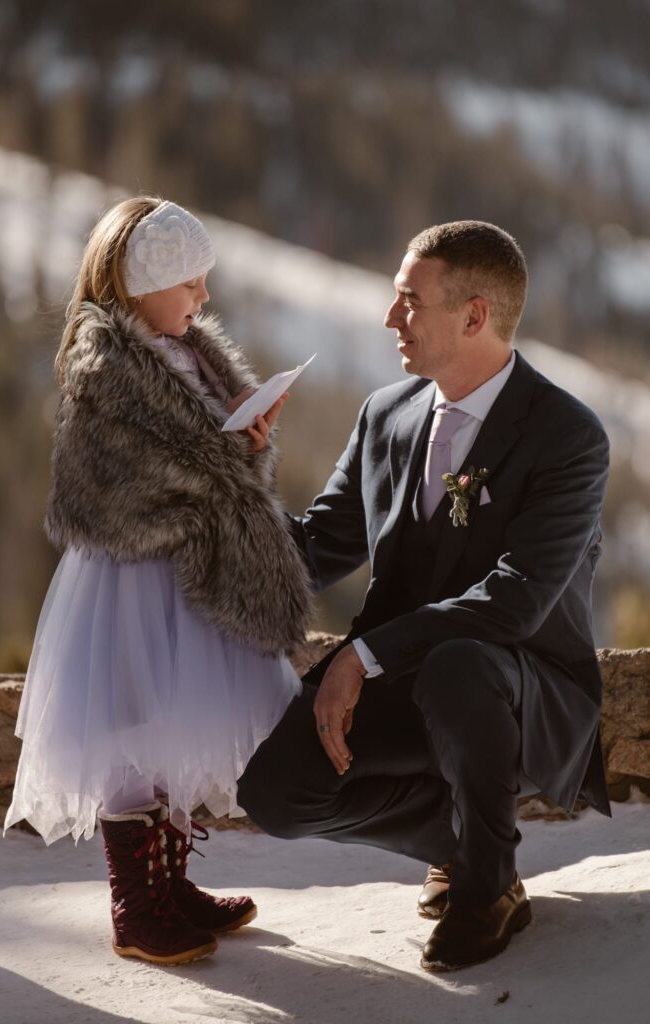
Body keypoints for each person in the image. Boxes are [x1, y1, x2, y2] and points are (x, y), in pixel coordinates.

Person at [237, 220, 610, 971]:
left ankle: (486, 887)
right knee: (276, 792)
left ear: (474, 315)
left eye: (410, 300)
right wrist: (244, 480)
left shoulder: (568, 435)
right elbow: (309, 554)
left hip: (523, 695)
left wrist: (364, 654)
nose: (389, 317)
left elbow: (515, 603)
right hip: (406, 683)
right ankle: (465, 839)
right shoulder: (386, 414)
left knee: (461, 665)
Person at [5, 197, 312, 966]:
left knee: (172, 726)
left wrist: (245, 443)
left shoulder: (189, 351)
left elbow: (205, 462)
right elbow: (114, 476)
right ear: (144, 284)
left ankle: (170, 886)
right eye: (190, 283)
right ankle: (135, 906)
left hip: (189, 569)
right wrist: (218, 458)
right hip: (132, 576)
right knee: (131, 733)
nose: (203, 299)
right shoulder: (105, 365)